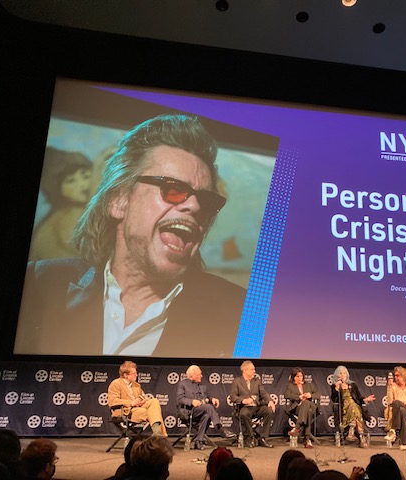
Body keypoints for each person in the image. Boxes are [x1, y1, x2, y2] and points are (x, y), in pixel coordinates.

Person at [15, 114, 246, 357]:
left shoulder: (240, 316)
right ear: (118, 201)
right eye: (174, 189)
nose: (194, 206)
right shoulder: (37, 284)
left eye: (207, 201)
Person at [29, 147, 93, 260]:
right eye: (71, 181)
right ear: (57, 189)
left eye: (85, 176)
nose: (83, 185)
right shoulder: (71, 214)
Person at [177, 365, 236, 450]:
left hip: (200, 410)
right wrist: (192, 401)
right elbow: (180, 399)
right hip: (188, 411)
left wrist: (212, 399)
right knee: (208, 407)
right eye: (199, 374)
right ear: (192, 375)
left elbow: (208, 397)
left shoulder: (202, 385)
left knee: (207, 416)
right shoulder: (183, 384)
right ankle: (220, 428)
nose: (201, 376)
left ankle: (198, 441)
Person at [108, 361, 167, 436]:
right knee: (153, 413)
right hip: (125, 412)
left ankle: (157, 434)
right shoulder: (116, 384)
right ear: (126, 375)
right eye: (134, 373)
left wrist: (144, 401)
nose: (136, 375)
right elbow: (113, 401)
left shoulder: (136, 385)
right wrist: (131, 403)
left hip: (137, 409)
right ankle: (160, 436)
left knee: (154, 401)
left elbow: (143, 397)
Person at [228, 360, 276, 448]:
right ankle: (252, 437)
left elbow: (263, 393)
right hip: (245, 407)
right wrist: (243, 400)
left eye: (254, 369)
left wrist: (270, 401)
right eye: (252, 369)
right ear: (245, 370)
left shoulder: (256, 381)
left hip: (257, 407)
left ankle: (263, 438)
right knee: (244, 413)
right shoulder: (237, 381)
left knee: (268, 411)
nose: (254, 371)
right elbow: (233, 397)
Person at [331, 365, 375, 448]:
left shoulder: (353, 385)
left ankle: (352, 427)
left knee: (353, 406)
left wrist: (366, 399)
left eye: (344, 373)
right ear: (337, 375)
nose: (342, 375)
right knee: (353, 407)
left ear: (347, 374)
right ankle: (361, 438)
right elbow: (334, 399)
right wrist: (337, 388)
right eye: (340, 373)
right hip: (344, 406)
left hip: (354, 405)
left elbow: (359, 398)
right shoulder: (335, 386)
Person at [285, 367, 319, 448]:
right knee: (308, 411)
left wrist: (310, 395)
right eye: (297, 376)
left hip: (311, 406)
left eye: (301, 376)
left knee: (306, 402)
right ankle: (307, 439)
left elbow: (318, 395)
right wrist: (298, 397)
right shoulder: (290, 386)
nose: (299, 378)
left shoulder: (309, 385)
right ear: (293, 377)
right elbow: (286, 395)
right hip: (298, 408)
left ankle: (297, 427)